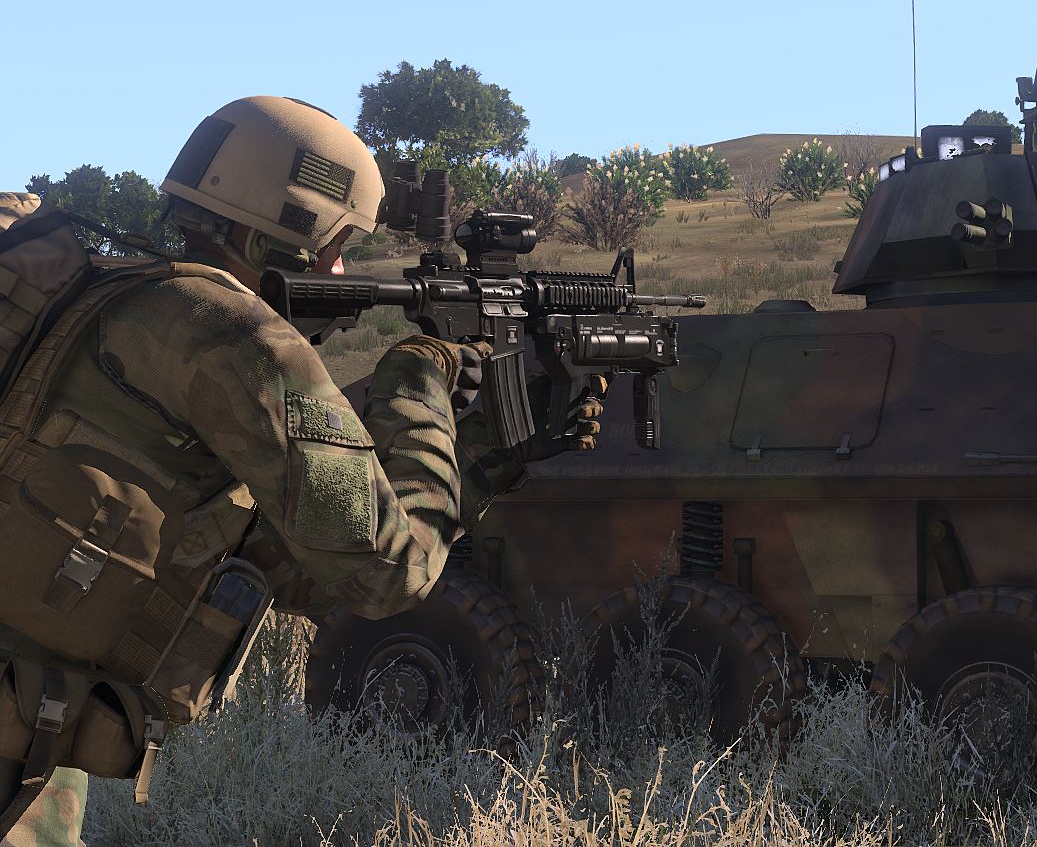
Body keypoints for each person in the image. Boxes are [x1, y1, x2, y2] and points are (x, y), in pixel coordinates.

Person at [0, 96, 600, 846]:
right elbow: (388, 574)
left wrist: (481, 460)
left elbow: (292, 570)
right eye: (338, 246)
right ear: (271, 238)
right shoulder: (230, 334)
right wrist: (417, 384)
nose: (343, 271)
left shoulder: (111, 299)